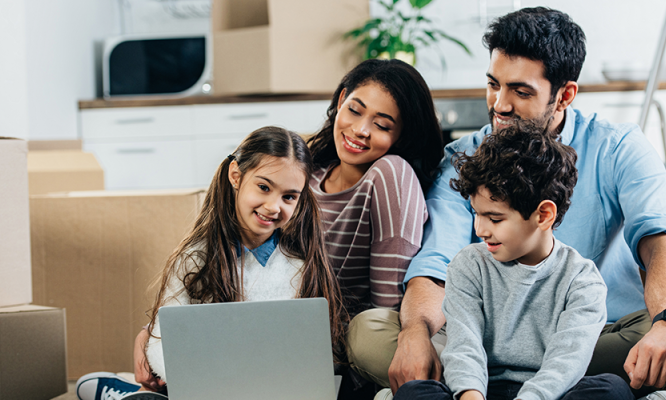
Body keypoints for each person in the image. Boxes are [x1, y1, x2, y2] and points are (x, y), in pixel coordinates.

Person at [352, 7, 666, 399]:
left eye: (521, 91)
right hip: (483, 341)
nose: (499, 104)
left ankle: (514, 384)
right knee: (369, 331)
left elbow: (659, 240)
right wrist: (415, 333)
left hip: (590, 336)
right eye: (493, 84)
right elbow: (436, 263)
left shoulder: (617, 147)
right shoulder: (464, 156)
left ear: (564, 95)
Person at [74, 126, 348, 400]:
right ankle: (132, 395)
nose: (273, 206)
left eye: (288, 196)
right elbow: (162, 344)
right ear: (236, 176)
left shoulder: (301, 265)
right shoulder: (195, 258)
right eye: (263, 187)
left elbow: (316, 353)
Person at [395, 124, 634, 400]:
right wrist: (470, 396)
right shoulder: (468, 265)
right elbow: (464, 346)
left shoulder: (582, 280)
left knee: (612, 390)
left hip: (549, 395)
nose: (481, 229)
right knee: (414, 393)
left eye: (495, 218)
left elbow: (566, 364)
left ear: (543, 215)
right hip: (480, 391)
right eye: (477, 213)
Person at [305, 59, 444, 388]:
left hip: (355, 357)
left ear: (401, 135)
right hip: (291, 343)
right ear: (340, 101)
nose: (360, 130)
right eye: (354, 110)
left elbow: (386, 317)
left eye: (382, 125)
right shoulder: (306, 174)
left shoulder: (390, 176)